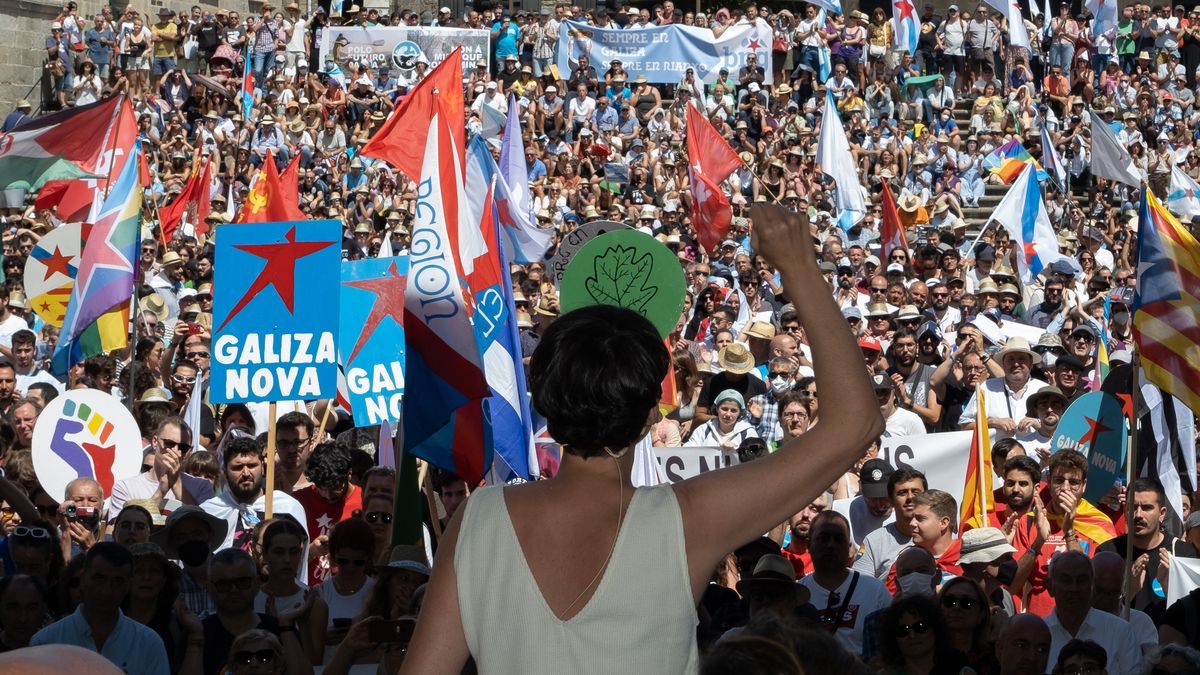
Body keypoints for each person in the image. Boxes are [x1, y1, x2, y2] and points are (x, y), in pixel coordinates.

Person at [400, 205, 883, 673]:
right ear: (652, 409)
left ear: (545, 402)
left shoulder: (477, 520)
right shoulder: (687, 520)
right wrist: (797, 264)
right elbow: (855, 423)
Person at [31, 543, 169, 675]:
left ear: (128, 586)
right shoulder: (45, 642)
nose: (106, 591)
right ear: (83, 579)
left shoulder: (149, 644)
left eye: (117, 581)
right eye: (99, 578)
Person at [200, 436, 308, 580]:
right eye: (237, 467)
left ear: (263, 468)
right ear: (224, 471)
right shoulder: (210, 512)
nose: (246, 473)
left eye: (252, 465)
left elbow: (300, 564)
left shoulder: (287, 508)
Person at [1096, 477, 1199, 621]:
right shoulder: (1108, 553)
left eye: (1147, 508)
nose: (1138, 515)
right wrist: (1128, 592)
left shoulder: (1183, 553)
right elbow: (1097, 614)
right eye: (1133, 507)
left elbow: (1193, 616)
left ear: (1162, 513)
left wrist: (1171, 587)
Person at [799, 511, 891, 653]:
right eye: (823, 538)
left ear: (849, 547)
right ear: (809, 545)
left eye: (838, 539)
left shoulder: (875, 591)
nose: (831, 545)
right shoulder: (797, 594)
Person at [1043, 550, 1142, 675]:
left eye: (1081, 580)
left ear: (1092, 585)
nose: (1074, 588)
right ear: (1050, 587)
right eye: (1066, 580)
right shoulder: (1039, 634)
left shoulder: (1121, 632)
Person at [109, 416, 213, 517]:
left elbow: (203, 525)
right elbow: (125, 529)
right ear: (155, 442)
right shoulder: (125, 487)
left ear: (190, 451)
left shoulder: (202, 486)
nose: (175, 451)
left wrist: (176, 483)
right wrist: (160, 492)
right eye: (169, 443)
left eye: (183, 447)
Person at [290, 442, 361, 585]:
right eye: (321, 487)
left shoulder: (364, 501)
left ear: (349, 474)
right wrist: (311, 552)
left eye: (335, 487)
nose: (328, 495)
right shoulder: (297, 503)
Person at [855, 468, 928, 581]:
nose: (910, 497)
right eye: (902, 493)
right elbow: (860, 586)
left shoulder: (941, 534)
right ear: (891, 500)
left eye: (916, 492)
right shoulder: (873, 541)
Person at [683, 389, 760, 448]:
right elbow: (689, 451)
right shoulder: (704, 430)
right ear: (717, 409)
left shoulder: (748, 433)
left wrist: (735, 451)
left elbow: (756, 457)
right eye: (724, 409)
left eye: (733, 410)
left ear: (740, 413)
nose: (728, 414)